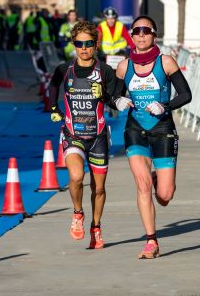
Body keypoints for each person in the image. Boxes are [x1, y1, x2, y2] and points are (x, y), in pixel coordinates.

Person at [113, 15, 192, 259]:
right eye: (136, 31)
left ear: (154, 35)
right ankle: (151, 241)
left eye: (146, 30)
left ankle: (160, 178)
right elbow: (112, 97)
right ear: (132, 36)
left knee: (165, 196)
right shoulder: (124, 67)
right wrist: (118, 100)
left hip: (162, 129)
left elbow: (186, 94)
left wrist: (165, 106)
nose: (141, 35)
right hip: (135, 130)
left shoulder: (166, 62)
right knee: (142, 185)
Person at [48, 21, 118, 250]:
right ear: (74, 45)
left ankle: (95, 227)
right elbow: (53, 85)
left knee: (98, 188)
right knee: (77, 177)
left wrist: (105, 96)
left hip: (97, 136)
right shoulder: (65, 69)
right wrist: (53, 108)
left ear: (96, 45)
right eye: (79, 43)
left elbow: (116, 101)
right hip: (73, 134)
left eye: (88, 43)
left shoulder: (105, 71)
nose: (84, 48)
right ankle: (78, 213)